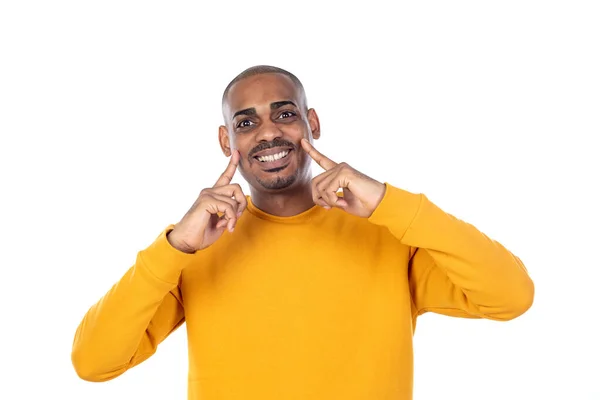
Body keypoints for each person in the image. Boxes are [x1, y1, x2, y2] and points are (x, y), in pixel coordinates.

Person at [71, 65, 534, 400]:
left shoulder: (388, 235)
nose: (267, 133)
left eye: (284, 114)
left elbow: (511, 295)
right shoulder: (197, 252)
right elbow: (93, 363)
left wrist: (391, 203)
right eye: (246, 123)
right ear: (225, 141)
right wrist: (174, 247)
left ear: (312, 123)